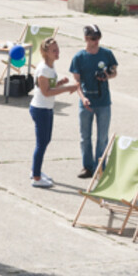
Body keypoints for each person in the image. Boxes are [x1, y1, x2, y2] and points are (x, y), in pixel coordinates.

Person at [70, 25, 118, 179]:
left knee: (102, 137)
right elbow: (76, 82)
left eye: (98, 38)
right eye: (93, 38)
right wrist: (83, 98)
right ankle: (87, 167)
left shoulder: (107, 54)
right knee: (85, 137)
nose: (96, 41)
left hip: (103, 102)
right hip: (86, 103)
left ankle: (100, 168)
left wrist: (106, 75)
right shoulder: (79, 57)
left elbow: (114, 71)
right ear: (86, 38)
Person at [30, 38, 78, 188]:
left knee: (45, 141)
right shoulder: (44, 69)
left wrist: (60, 83)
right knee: (42, 143)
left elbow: (48, 86)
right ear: (45, 53)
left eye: (58, 49)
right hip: (40, 108)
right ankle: (36, 177)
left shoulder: (50, 66)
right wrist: (67, 88)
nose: (57, 52)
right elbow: (45, 92)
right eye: (54, 51)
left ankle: (36, 170)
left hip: (47, 108)